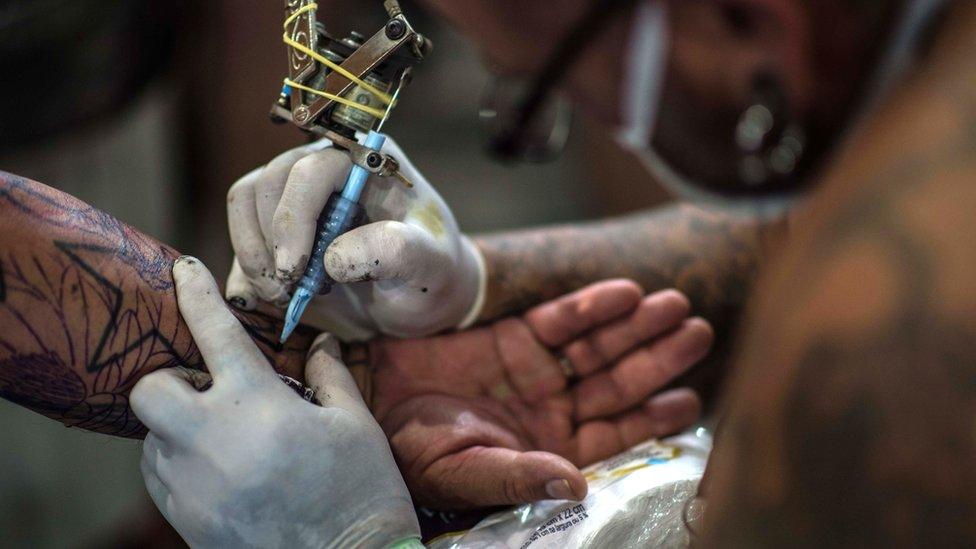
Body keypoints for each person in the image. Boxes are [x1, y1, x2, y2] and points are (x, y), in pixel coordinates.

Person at [134, 0, 976, 546]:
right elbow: (792, 237)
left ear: (751, 26)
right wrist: (477, 279)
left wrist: (351, 537)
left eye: (535, 93)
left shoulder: (906, 349)